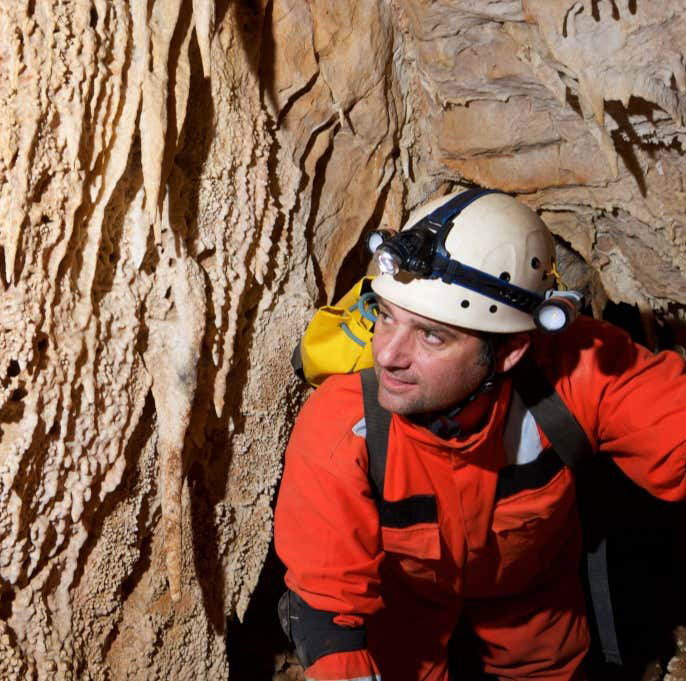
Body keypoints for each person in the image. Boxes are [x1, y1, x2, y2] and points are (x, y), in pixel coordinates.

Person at [273, 188, 686, 681]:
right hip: (402, 611)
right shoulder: (346, 426)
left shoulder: (577, 374)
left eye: (431, 335)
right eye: (386, 317)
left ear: (510, 351)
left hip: (532, 606)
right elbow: (328, 608)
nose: (388, 354)